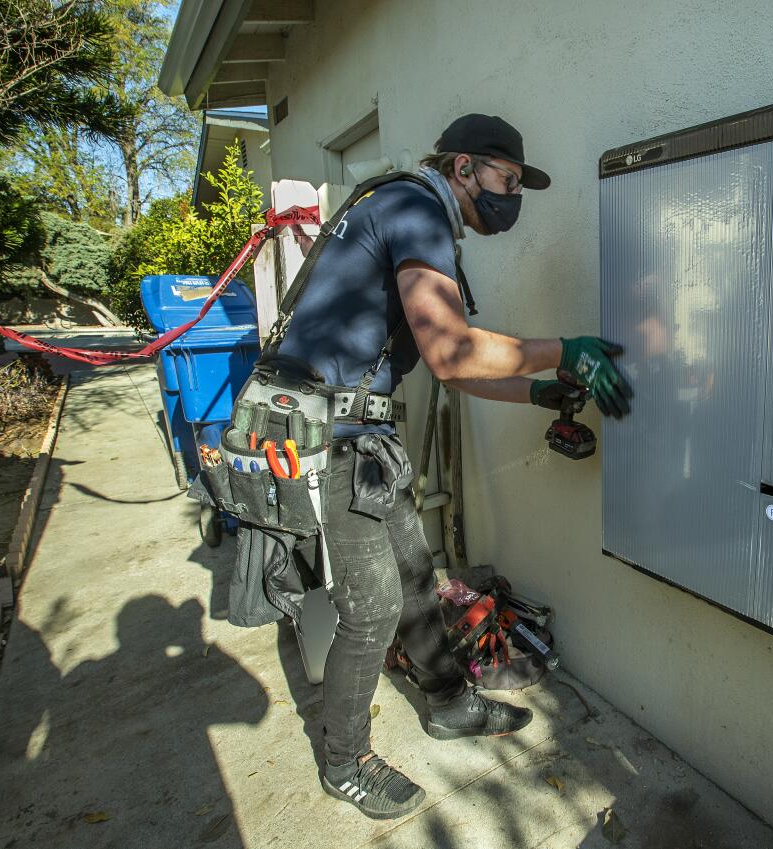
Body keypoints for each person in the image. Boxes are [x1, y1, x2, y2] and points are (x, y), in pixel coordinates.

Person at [275, 113, 633, 819]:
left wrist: (535, 389)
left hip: (360, 434)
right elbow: (452, 351)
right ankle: (344, 759)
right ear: (464, 168)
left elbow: (461, 370)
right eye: (507, 179)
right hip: (324, 435)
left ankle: (447, 702)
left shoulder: (414, 212)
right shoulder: (415, 207)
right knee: (372, 607)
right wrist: (566, 350)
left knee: (413, 572)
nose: (514, 196)